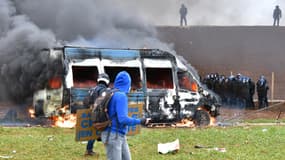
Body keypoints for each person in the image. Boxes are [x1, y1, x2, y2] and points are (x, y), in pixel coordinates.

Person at [101, 71, 149, 160]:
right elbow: (122, 119)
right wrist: (140, 121)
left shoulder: (112, 93)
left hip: (118, 134)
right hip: (113, 135)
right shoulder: (121, 96)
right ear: (127, 83)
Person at [84, 73, 110, 156]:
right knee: (107, 129)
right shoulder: (104, 90)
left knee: (93, 132)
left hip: (91, 114)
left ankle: (89, 149)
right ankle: (111, 149)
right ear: (107, 81)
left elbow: (85, 102)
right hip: (100, 115)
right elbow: (104, 102)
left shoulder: (92, 89)